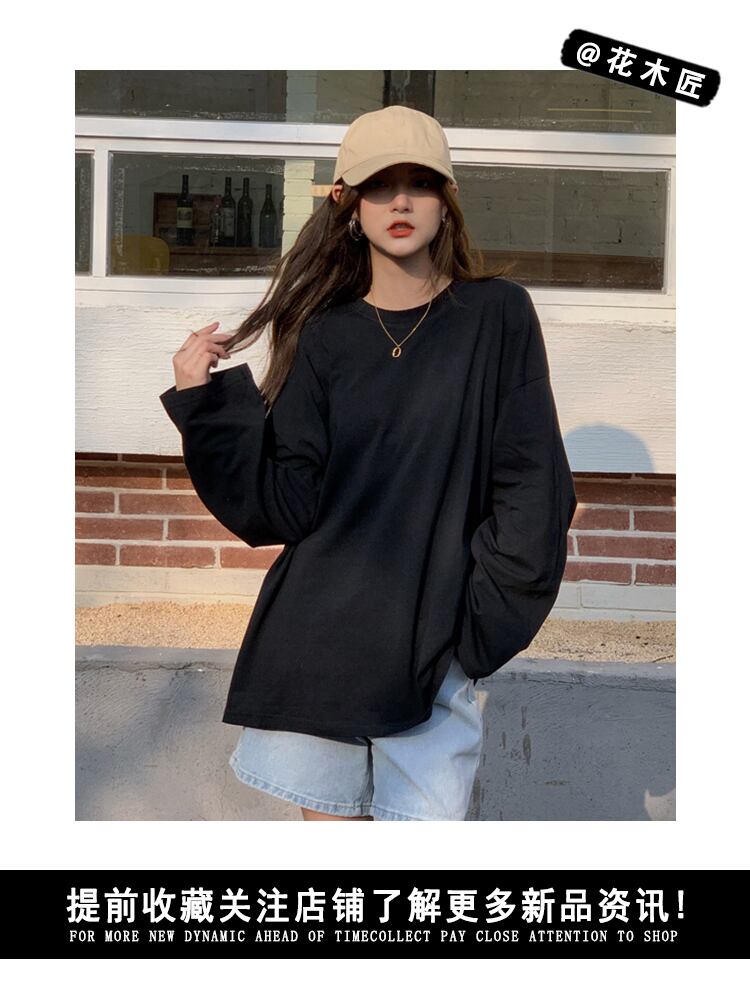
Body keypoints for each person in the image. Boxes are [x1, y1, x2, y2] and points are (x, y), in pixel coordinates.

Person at [160, 105, 578, 822]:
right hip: (317, 643)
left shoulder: (497, 315)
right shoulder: (324, 333)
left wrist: (475, 633)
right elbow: (284, 504)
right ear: (348, 206)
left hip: (433, 648)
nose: (401, 202)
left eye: (421, 183)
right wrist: (204, 405)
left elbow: (532, 487)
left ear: (447, 202)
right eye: (380, 186)